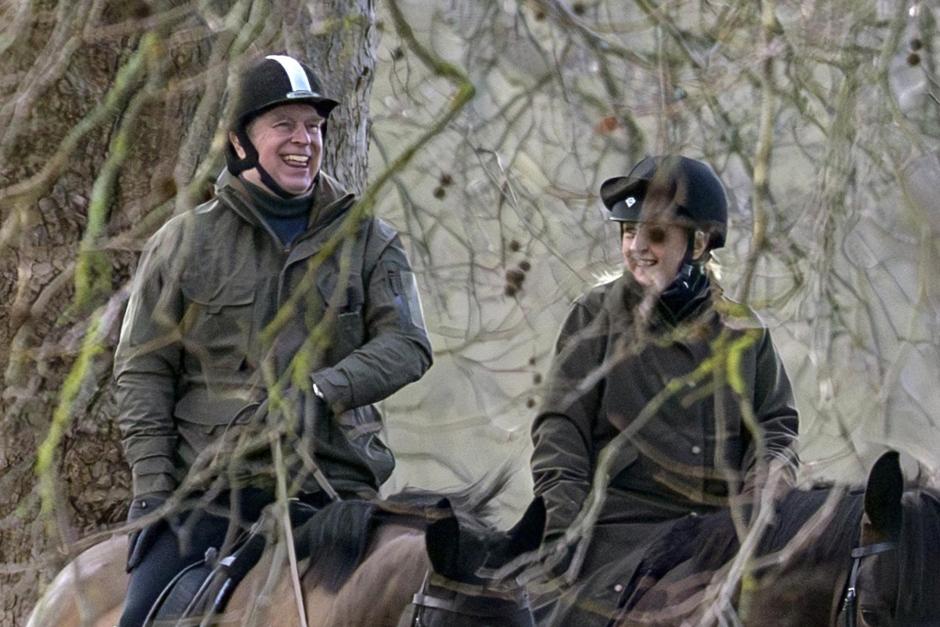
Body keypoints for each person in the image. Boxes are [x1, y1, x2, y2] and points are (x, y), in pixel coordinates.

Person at [114, 54, 432, 626]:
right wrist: (154, 489)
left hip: (336, 487)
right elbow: (143, 370)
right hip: (213, 491)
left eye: (313, 126)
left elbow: (408, 344)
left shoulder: (370, 241)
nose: (303, 141)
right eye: (283, 125)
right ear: (239, 143)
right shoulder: (182, 243)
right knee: (142, 617)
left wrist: (322, 389)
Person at [530, 155, 799, 624]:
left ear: (697, 244)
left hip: (720, 536)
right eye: (628, 233)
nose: (637, 247)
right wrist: (563, 533)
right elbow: (560, 431)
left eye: (654, 234)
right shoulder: (594, 319)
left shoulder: (743, 332)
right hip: (616, 534)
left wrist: (761, 505)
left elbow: (775, 431)